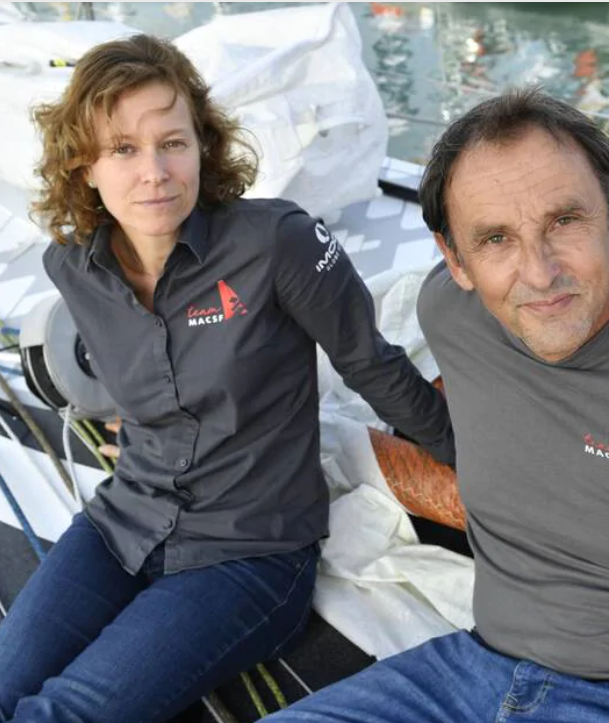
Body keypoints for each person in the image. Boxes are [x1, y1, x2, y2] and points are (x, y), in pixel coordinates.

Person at [0, 34, 454, 723]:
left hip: (250, 555)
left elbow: (372, 365)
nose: (154, 171)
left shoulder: (277, 242)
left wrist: (473, 461)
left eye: (172, 143)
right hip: (122, 522)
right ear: (85, 166)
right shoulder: (72, 267)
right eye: (123, 149)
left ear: (202, 146)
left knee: (63, 712)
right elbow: (141, 376)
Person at [261, 88, 609, 722]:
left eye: (564, 221)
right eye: (496, 238)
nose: (539, 273)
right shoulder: (451, 314)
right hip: (476, 666)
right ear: (455, 260)